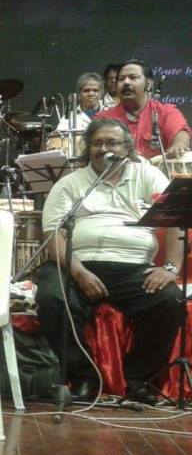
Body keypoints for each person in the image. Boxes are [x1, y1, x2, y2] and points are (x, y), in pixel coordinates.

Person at [34, 118, 184, 404]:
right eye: (97, 143)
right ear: (88, 148)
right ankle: (83, 377)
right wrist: (79, 273)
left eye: (112, 143)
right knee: (53, 297)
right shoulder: (70, 183)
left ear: (127, 148)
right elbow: (53, 236)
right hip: (77, 264)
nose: (104, 149)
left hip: (133, 266)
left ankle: (136, 379)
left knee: (169, 300)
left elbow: (177, 220)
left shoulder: (148, 175)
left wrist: (170, 268)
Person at [95, 58, 190, 160]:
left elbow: (180, 133)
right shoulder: (104, 118)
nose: (126, 82)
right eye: (121, 79)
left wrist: (178, 146)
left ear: (148, 84)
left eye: (133, 77)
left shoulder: (165, 112)